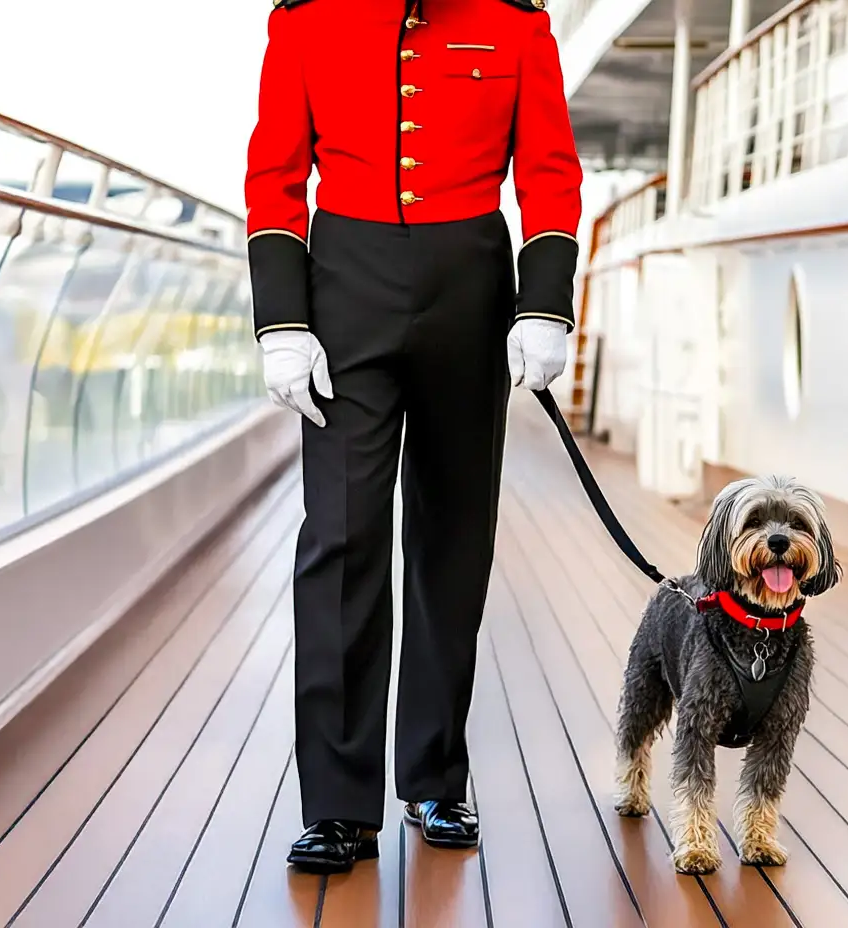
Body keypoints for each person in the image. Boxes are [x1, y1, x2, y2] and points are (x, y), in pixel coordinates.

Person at [244, 0, 582, 872]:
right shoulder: (306, 18)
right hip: (343, 286)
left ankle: (436, 777)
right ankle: (337, 805)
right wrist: (281, 318)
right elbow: (275, 172)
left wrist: (543, 303)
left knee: (452, 540)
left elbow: (549, 169)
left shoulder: (517, 20)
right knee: (343, 538)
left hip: (470, 284)